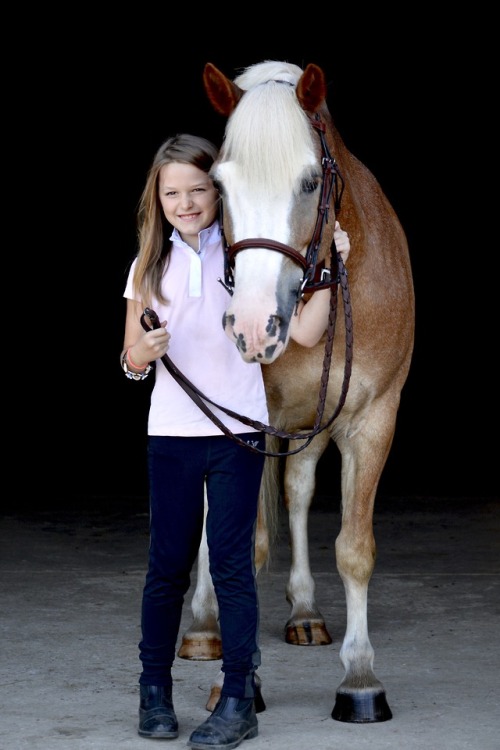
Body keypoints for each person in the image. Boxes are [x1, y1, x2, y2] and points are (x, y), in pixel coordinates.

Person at [120, 133, 350, 749]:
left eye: (198, 189)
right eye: (173, 192)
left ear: (219, 192)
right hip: (171, 434)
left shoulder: (244, 259)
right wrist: (143, 350)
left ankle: (239, 699)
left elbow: (302, 332)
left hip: (237, 436)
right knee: (165, 567)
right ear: (158, 198)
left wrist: (326, 270)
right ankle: (154, 692)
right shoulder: (149, 266)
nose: (186, 202)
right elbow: (130, 359)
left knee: (232, 569)